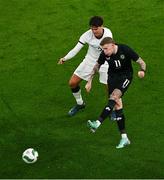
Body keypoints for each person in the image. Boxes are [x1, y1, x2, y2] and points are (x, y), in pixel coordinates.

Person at [86, 37, 146, 149]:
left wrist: (142, 70)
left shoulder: (125, 49)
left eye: (106, 48)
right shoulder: (105, 53)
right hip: (112, 78)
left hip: (125, 77)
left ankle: (97, 123)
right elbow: (97, 66)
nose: (104, 51)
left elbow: (142, 62)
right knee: (118, 106)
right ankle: (124, 138)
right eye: (103, 49)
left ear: (113, 45)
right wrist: (89, 81)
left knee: (114, 97)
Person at [58, 16, 114, 117]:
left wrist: (90, 80)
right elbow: (76, 49)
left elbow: (104, 56)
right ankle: (80, 104)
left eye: (96, 29)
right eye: (91, 28)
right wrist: (65, 58)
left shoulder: (108, 35)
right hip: (90, 60)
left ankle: (112, 108)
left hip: (105, 61)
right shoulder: (86, 35)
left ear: (102, 26)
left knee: (110, 88)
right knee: (72, 83)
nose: (93, 31)